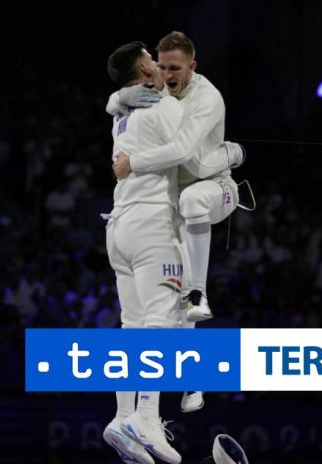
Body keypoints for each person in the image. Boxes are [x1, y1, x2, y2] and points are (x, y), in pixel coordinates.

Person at [108, 31, 244, 414]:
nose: (167, 75)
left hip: (213, 186)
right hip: (170, 208)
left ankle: (201, 292)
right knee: (173, 304)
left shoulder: (206, 98)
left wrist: (231, 155)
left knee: (191, 203)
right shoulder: (155, 95)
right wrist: (118, 98)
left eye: (174, 68)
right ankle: (188, 383)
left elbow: (189, 157)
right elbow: (117, 99)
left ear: (192, 66)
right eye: (161, 66)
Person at [102, 40, 186, 464]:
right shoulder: (161, 106)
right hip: (152, 225)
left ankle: (122, 418)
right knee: (161, 322)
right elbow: (190, 150)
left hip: (119, 228)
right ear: (143, 70)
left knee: (133, 326)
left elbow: (114, 101)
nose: (158, 63)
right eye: (151, 59)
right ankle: (147, 419)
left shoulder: (121, 111)